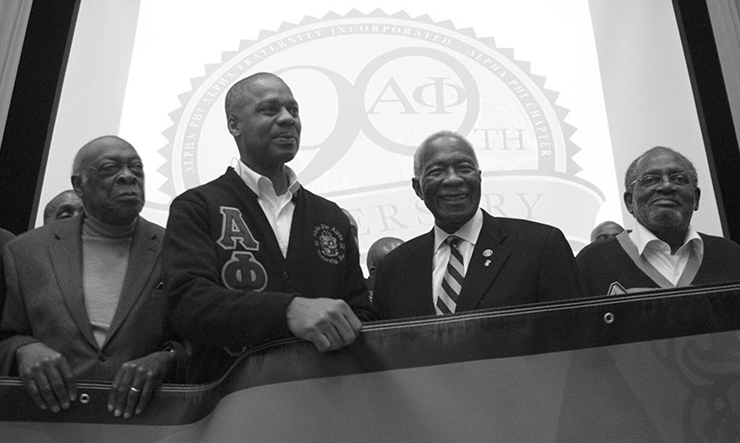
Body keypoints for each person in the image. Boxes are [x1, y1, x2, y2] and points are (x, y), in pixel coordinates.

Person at [162, 72, 376, 382]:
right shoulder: (197, 206)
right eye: (270, 109)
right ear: (234, 125)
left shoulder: (331, 216)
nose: (288, 119)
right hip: (233, 397)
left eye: (294, 110)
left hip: (325, 394)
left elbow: (360, 311)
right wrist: (287, 311)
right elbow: (189, 305)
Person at [0, 136, 185, 419]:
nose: (128, 176)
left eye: (136, 168)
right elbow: (6, 335)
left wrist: (167, 358)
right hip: (46, 420)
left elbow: (197, 340)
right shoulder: (24, 251)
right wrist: (23, 349)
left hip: (147, 420)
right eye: (111, 168)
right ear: (79, 185)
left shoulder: (174, 248)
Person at [372, 131, 582, 319]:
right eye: (437, 172)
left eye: (464, 168)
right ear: (417, 188)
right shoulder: (393, 269)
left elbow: (575, 334)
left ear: (479, 178)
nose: (453, 179)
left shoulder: (540, 246)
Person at [576, 146, 740, 296]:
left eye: (679, 179)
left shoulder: (731, 256)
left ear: (696, 198)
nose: (667, 186)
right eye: (650, 180)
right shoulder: (592, 262)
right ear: (629, 202)